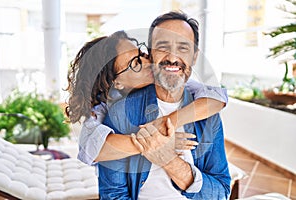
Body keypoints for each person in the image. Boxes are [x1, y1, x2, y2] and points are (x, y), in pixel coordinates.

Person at [97, 11, 231, 199]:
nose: (173, 57)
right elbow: (113, 194)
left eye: (183, 47)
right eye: (162, 47)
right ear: (150, 55)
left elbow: (221, 192)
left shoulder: (207, 114)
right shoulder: (121, 113)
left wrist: (169, 161)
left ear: (194, 57)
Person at [66, 31, 228, 164]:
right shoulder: (106, 106)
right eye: (135, 63)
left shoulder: (165, 81)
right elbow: (90, 147)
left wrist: (166, 123)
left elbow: (215, 98)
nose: (146, 61)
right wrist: (155, 142)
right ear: (117, 83)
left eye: (142, 54)